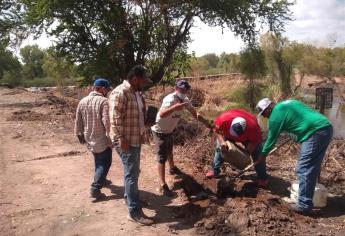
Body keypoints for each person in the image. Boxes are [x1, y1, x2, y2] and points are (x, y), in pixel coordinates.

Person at [255, 98, 333, 215]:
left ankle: (304, 205)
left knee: (304, 168)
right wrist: (295, 134)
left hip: (314, 132)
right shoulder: (289, 103)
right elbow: (300, 118)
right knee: (312, 167)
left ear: (268, 109)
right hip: (325, 128)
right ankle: (308, 198)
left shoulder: (275, 116)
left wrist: (262, 157)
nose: (266, 117)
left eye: (264, 114)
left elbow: (270, 140)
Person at [109, 65, 154, 226]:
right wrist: (121, 138)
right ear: (134, 78)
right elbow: (115, 118)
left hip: (135, 138)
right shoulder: (120, 92)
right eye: (143, 80)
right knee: (132, 174)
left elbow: (138, 116)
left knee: (133, 172)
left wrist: (148, 122)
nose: (145, 84)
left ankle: (130, 200)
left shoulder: (137, 94)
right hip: (125, 140)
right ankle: (134, 212)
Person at [151, 80, 212, 196]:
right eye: (182, 90)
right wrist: (175, 108)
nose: (184, 92)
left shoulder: (185, 100)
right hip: (159, 130)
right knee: (161, 157)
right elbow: (161, 115)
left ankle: (173, 168)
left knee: (170, 150)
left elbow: (196, 114)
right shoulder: (170, 100)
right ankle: (163, 184)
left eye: (186, 90)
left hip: (169, 130)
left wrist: (207, 123)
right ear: (176, 89)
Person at [206, 109, 268, 187]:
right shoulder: (223, 120)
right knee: (220, 148)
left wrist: (244, 155)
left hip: (248, 137)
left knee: (258, 153)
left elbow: (254, 143)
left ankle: (262, 178)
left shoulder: (253, 129)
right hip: (227, 134)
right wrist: (222, 142)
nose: (235, 136)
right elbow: (216, 130)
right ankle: (214, 170)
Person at [75, 78, 112, 200]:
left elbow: (78, 119)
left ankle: (102, 179)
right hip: (101, 138)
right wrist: (111, 138)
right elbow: (107, 121)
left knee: (98, 160)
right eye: (106, 89)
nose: (107, 91)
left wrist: (78, 133)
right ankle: (95, 188)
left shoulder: (82, 101)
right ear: (102, 88)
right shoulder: (104, 101)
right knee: (105, 163)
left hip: (88, 136)